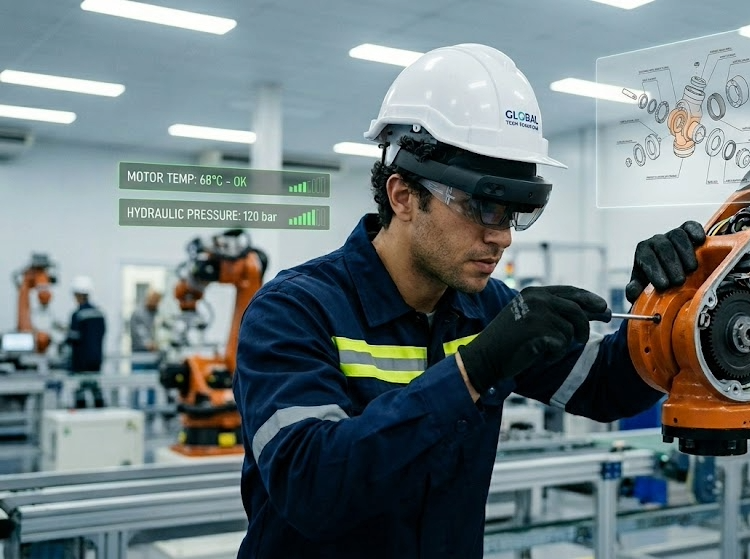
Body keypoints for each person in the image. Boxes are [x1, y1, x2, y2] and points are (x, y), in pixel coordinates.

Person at [232, 43, 706, 558]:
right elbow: (313, 489)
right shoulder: (293, 311)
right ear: (403, 196)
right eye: (483, 206)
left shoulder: (488, 308)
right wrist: (471, 372)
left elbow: (607, 389)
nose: (502, 237)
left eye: (516, 213)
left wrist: (674, 303)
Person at [66, 276, 106, 407]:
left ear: (78, 295)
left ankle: (82, 420)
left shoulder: (78, 314)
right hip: (97, 359)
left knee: (81, 392)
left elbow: (73, 338)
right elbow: (102, 333)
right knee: (96, 389)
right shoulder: (99, 313)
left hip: (81, 361)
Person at [129, 289, 163, 354]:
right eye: (155, 301)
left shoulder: (155, 312)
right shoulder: (138, 313)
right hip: (140, 353)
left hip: (153, 353)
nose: (157, 304)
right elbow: (141, 333)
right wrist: (149, 344)